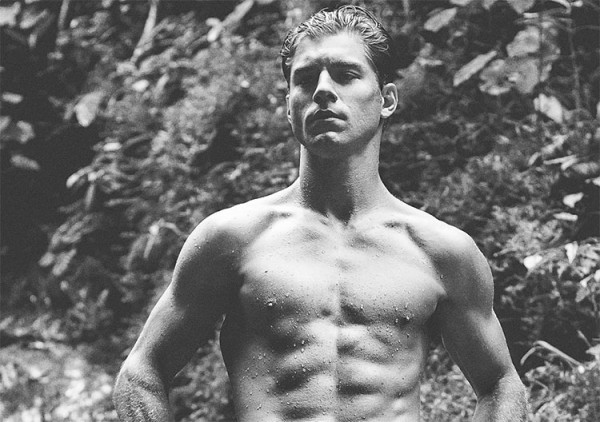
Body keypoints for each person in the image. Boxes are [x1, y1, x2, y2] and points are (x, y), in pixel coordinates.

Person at [113, 5, 528, 421]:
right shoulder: (232, 239)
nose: (323, 90)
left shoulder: (441, 251)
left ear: (386, 100)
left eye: (345, 74)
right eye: (306, 79)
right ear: (288, 105)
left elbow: (500, 385)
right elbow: (142, 372)